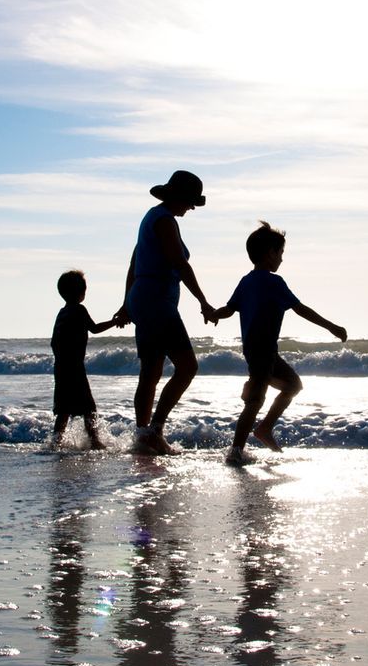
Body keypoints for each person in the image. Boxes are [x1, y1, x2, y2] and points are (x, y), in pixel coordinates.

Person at [207, 221, 346, 465]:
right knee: (256, 400)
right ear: (270, 253)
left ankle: (263, 428)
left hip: (261, 350)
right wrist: (331, 326)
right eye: (280, 253)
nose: (282, 259)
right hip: (262, 351)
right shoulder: (274, 282)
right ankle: (236, 451)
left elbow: (229, 309)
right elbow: (301, 309)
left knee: (293, 385)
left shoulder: (246, 281)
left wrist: (215, 314)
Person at [116, 169, 217, 455]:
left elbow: (133, 264)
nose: (191, 208)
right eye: (190, 202)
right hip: (157, 302)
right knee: (187, 367)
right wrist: (203, 301)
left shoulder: (150, 218)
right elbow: (180, 265)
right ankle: (155, 430)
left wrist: (127, 302)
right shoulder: (165, 222)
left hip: (144, 300)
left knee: (150, 372)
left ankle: (143, 434)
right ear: (179, 198)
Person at [51, 269, 120, 449]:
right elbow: (95, 329)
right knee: (89, 407)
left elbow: (54, 342)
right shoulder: (79, 310)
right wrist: (114, 322)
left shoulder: (62, 312)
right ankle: (94, 440)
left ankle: (55, 441)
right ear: (81, 292)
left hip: (61, 367)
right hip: (74, 367)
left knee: (64, 409)